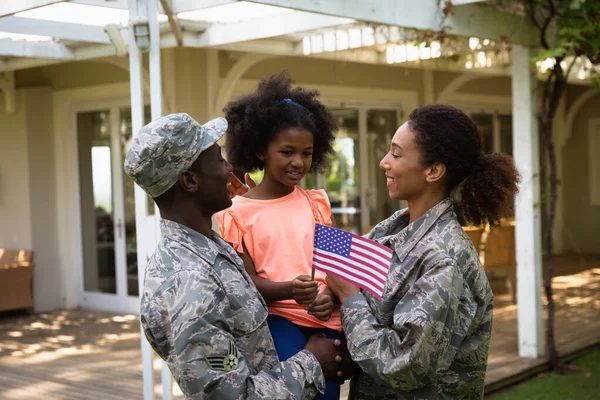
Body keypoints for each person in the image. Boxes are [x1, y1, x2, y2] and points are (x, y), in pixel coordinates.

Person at [124, 113, 353, 399]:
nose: (228, 168)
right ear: (190, 180)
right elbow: (233, 395)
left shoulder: (210, 247)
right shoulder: (188, 286)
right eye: (218, 160)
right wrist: (313, 363)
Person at [324, 104, 521, 399]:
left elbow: (404, 366)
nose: (384, 163)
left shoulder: (443, 260)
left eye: (396, 154)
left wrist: (348, 297)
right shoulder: (389, 231)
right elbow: (337, 268)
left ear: (433, 171)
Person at [215, 71, 343, 400]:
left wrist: (330, 295)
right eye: (287, 152)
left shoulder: (316, 203)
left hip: (326, 321)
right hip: (279, 323)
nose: (298, 162)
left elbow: (336, 264)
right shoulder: (237, 213)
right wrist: (289, 290)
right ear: (260, 150)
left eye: (307, 152)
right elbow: (245, 281)